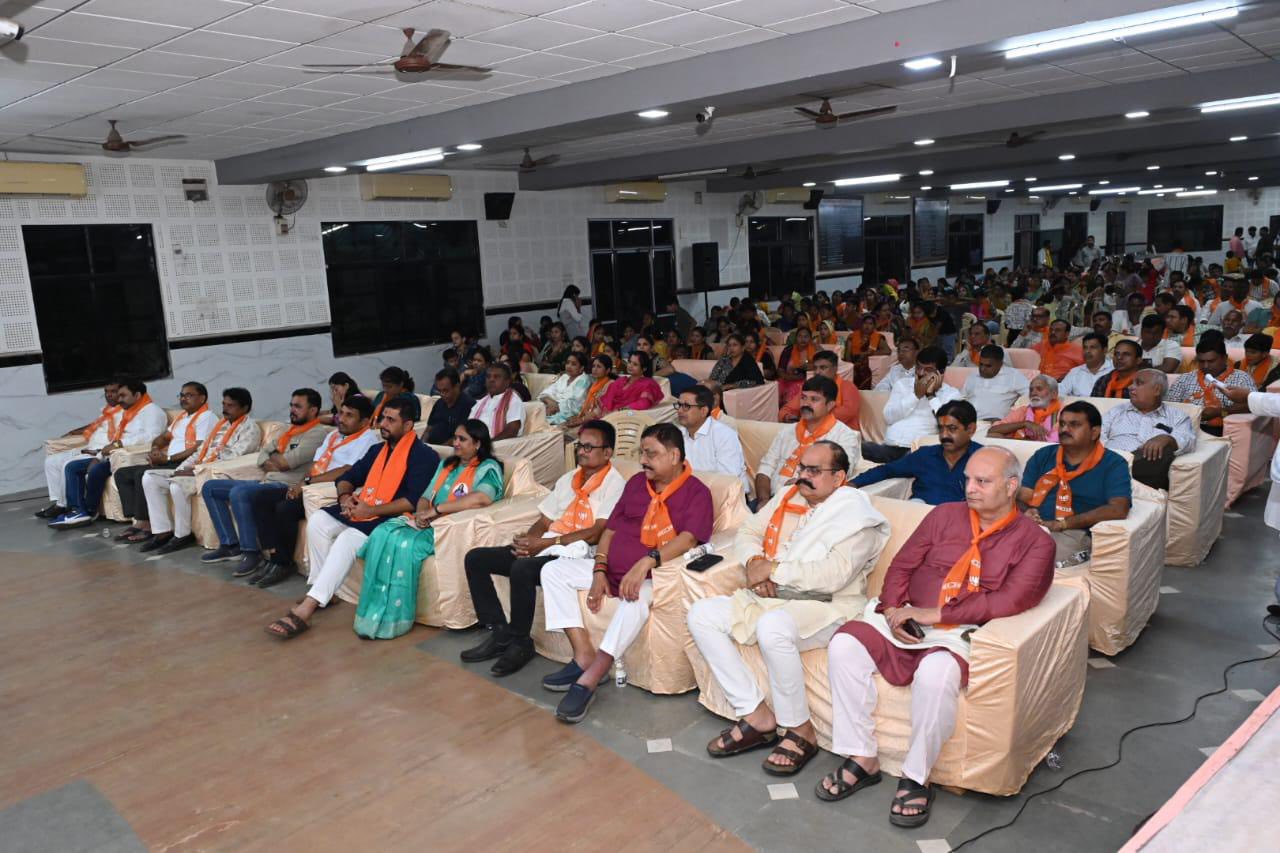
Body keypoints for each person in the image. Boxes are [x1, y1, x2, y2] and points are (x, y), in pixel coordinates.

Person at [820, 447, 1053, 825]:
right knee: (845, 645)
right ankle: (862, 755)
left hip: (959, 630)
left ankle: (916, 776)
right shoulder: (944, 515)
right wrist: (893, 609)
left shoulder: (1035, 541)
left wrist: (938, 615)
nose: (970, 488)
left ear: (1011, 486)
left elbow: (1012, 599)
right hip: (907, 615)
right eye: (968, 479)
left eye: (983, 481)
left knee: (936, 674)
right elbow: (903, 565)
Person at [688, 441, 890, 774]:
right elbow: (749, 530)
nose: (803, 476)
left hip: (829, 606)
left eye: (814, 470)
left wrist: (774, 571)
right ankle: (756, 714)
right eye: (802, 468)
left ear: (839, 477)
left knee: (773, 627)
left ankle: (800, 729)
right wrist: (755, 563)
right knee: (702, 615)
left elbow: (833, 576)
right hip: (775, 596)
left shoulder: (857, 516)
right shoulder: (788, 495)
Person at [539, 423, 714, 723]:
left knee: (636, 597)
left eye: (651, 454)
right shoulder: (636, 484)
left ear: (674, 456)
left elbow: (688, 539)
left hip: (654, 577)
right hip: (612, 570)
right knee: (554, 570)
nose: (643, 460)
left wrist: (647, 562)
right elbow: (610, 530)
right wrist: (599, 569)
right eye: (641, 453)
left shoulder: (697, 492)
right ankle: (583, 655)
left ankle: (592, 676)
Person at [265, 395, 439, 639]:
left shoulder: (424, 456)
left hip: (392, 518)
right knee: (318, 521)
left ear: (408, 425)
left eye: (391, 420)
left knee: (347, 538)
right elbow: (347, 477)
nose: (383, 424)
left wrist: (371, 511)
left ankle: (307, 608)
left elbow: (412, 501)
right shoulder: (378, 450)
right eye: (383, 418)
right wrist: (345, 497)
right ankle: (323, 591)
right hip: (364, 508)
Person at [461, 421, 627, 676]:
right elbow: (544, 521)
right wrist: (528, 542)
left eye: (589, 447)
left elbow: (597, 532)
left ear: (607, 452)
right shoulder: (569, 479)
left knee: (522, 569)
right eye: (579, 446)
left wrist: (545, 544)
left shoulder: (615, 484)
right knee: (476, 559)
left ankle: (520, 642)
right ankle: (499, 632)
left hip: (578, 554)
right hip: (549, 544)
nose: (582, 451)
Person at [352, 420, 504, 639]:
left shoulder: (488, 468)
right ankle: (370, 616)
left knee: (404, 545)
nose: (455, 443)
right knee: (381, 534)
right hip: (427, 521)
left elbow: (481, 498)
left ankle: (394, 620)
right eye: (455, 437)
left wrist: (437, 511)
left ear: (478, 444)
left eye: (462, 439)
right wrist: (423, 513)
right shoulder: (448, 465)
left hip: (449, 529)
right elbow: (425, 495)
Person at [247, 394, 379, 589]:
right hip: (312, 485)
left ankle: (283, 563)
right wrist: (300, 484)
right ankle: (272, 556)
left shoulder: (368, 440)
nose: (341, 419)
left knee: (285, 508)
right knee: (260, 497)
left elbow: (347, 471)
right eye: (341, 413)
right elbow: (316, 465)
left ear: (365, 421)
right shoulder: (333, 435)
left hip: (331, 489)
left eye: (349, 415)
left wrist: (307, 483)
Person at [198, 389, 330, 578]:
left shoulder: (317, 434)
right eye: (291, 405)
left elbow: (286, 463)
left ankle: (251, 553)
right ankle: (230, 545)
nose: (292, 410)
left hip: (286, 486)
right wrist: (275, 460)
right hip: (266, 481)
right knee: (210, 487)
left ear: (313, 410)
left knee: (240, 493)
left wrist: (275, 459)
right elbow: (263, 457)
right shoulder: (289, 430)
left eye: (298, 406)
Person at [134, 388, 260, 552]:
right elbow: (200, 452)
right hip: (197, 468)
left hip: (214, 474)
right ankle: (162, 531)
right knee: (149, 477)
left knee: (177, 485)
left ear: (245, 408)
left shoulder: (250, 428)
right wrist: (181, 469)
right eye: (224, 404)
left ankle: (182, 535)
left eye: (231, 405)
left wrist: (195, 470)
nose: (225, 409)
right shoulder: (221, 425)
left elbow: (233, 458)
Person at [1019, 401, 1132, 564]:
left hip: (1073, 532)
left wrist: (1062, 524)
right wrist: (1027, 511)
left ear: (1094, 432)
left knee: (1037, 559)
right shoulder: (1043, 455)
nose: (1064, 429)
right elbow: (1024, 497)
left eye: (1074, 425)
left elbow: (1119, 509)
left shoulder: (1113, 463)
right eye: (1062, 424)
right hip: (1032, 525)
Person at [49, 380, 168, 529]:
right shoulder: (129, 411)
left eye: (123, 395)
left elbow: (152, 437)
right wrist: (99, 455)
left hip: (132, 457)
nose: (119, 399)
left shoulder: (153, 412)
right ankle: (77, 510)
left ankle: (88, 511)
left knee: (95, 470)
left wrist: (118, 445)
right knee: (73, 467)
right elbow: (113, 438)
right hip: (113, 454)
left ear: (137, 395)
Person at [111, 382, 216, 542]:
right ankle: (139, 520)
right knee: (122, 474)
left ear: (202, 398)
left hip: (183, 463)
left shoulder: (206, 417)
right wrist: (155, 449)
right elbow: (163, 437)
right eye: (181, 395)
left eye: (189, 395)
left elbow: (198, 448)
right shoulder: (182, 417)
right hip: (167, 460)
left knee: (141, 474)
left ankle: (146, 524)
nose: (183, 399)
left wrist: (167, 458)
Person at [853, 401, 983, 505]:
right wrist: (853, 483)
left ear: (970, 429)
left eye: (952, 429)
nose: (944, 435)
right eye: (941, 428)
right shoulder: (925, 455)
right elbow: (887, 470)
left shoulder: (984, 459)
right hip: (919, 517)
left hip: (961, 522)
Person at [756, 376, 861, 504]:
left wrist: (801, 484)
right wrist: (763, 501)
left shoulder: (844, 436)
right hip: (772, 499)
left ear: (830, 405)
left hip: (810, 504)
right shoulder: (787, 432)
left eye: (814, 399)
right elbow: (765, 469)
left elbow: (838, 476)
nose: (806, 404)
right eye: (803, 398)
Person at [1099, 369, 1196, 491]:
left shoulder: (1177, 416)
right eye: (1132, 383)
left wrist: (1167, 438)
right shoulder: (1116, 412)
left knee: (1165, 451)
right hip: (1113, 461)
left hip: (1148, 467)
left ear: (1157, 390)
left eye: (1139, 383)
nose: (1130, 387)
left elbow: (1188, 440)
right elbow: (1097, 436)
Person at [865, 346, 960, 463]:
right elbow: (888, 417)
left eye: (928, 369)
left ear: (941, 372)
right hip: (889, 448)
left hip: (919, 450)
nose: (921, 373)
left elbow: (949, 425)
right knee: (858, 448)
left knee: (914, 460)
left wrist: (931, 396)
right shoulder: (902, 385)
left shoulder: (951, 394)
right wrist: (915, 396)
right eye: (918, 367)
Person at [1167, 334, 1256, 437]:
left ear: (1225, 358)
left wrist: (1220, 412)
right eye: (1201, 361)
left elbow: (1252, 405)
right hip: (1185, 427)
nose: (1206, 366)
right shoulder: (1184, 379)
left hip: (1223, 430)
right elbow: (1170, 406)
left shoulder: (1241, 378)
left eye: (1211, 361)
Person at [675, 385, 749, 495]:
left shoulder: (724, 435)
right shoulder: (677, 434)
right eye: (679, 405)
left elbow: (727, 479)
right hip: (689, 494)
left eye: (686, 406)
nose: (680, 411)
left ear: (703, 411)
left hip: (727, 497)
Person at [780, 350, 860, 429]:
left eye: (823, 368)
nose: (817, 372)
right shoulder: (810, 387)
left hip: (843, 433)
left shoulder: (847, 386)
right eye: (815, 368)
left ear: (835, 369)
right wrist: (787, 417)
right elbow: (787, 409)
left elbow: (848, 412)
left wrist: (814, 418)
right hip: (810, 432)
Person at [960, 345, 1030, 421]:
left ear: (1000, 364)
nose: (982, 369)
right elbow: (962, 398)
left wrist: (1013, 413)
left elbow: (1030, 394)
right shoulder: (972, 376)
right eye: (980, 364)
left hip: (994, 423)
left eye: (988, 366)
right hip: (968, 421)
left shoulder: (1013, 376)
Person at [988, 374, 1062, 441]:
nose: (1033, 393)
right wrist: (1025, 424)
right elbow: (992, 430)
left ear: (1054, 394)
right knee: (993, 435)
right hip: (1019, 448)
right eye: (1031, 390)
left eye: (1039, 389)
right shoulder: (1023, 411)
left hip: (1049, 450)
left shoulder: (1063, 413)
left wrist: (1024, 440)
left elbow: (1055, 442)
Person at [469, 362, 524, 440]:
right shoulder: (481, 402)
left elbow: (512, 430)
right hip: (475, 442)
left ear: (507, 381)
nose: (491, 380)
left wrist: (489, 444)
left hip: (499, 444)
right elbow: (469, 426)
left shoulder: (514, 400)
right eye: (488, 377)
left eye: (497, 377)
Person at [538, 352, 591, 427]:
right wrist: (550, 402)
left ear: (581, 368)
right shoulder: (564, 377)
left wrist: (555, 406)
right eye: (567, 363)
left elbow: (575, 403)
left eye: (573, 364)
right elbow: (548, 391)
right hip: (549, 406)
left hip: (565, 413)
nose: (569, 366)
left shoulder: (584, 380)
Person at [426, 367, 475, 445]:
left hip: (450, 449)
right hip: (431, 447)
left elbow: (463, 436)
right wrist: (422, 445)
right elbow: (429, 429)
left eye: (446, 390)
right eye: (440, 391)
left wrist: (440, 449)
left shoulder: (469, 405)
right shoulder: (439, 403)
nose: (442, 394)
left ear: (457, 386)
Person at [564, 354, 614, 428]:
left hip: (600, 421)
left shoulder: (610, 384)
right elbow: (587, 405)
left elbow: (600, 410)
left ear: (608, 370)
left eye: (599, 366)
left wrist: (582, 420)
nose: (595, 369)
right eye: (593, 366)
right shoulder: (594, 383)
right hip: (587, 417)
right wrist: (578, 417)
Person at [843, 313, 891, 387]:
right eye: (865, 323)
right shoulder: (852, 336)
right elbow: (847, 355)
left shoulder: (878, 337)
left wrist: (871, 353)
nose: (867, 326)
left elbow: (888, 351)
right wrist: (851, 368)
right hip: (853, 364)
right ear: (861, 324)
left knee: (864, 371)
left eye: (870, 324)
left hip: (866, 367)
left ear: (874, 326)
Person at [1059, 333, 1113, 397]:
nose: (1087, 351)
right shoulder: (1075, 372)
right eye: (1085, 347)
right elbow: (1060, 393)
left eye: (1092, 347)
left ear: (1104, 350)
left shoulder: (1113, 370)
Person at [777, 326, 818, 409]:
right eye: (800, 336)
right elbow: (780, 370)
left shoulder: (815, 350)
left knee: (795, 388)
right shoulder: (788, 350)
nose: (803, 339)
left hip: (806, 381)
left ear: (810, 338)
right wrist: (789, 377)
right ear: (796, 338)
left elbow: (821, 366)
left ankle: (789, 411)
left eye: (806, 336)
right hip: (786, 379)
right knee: (776, 388)